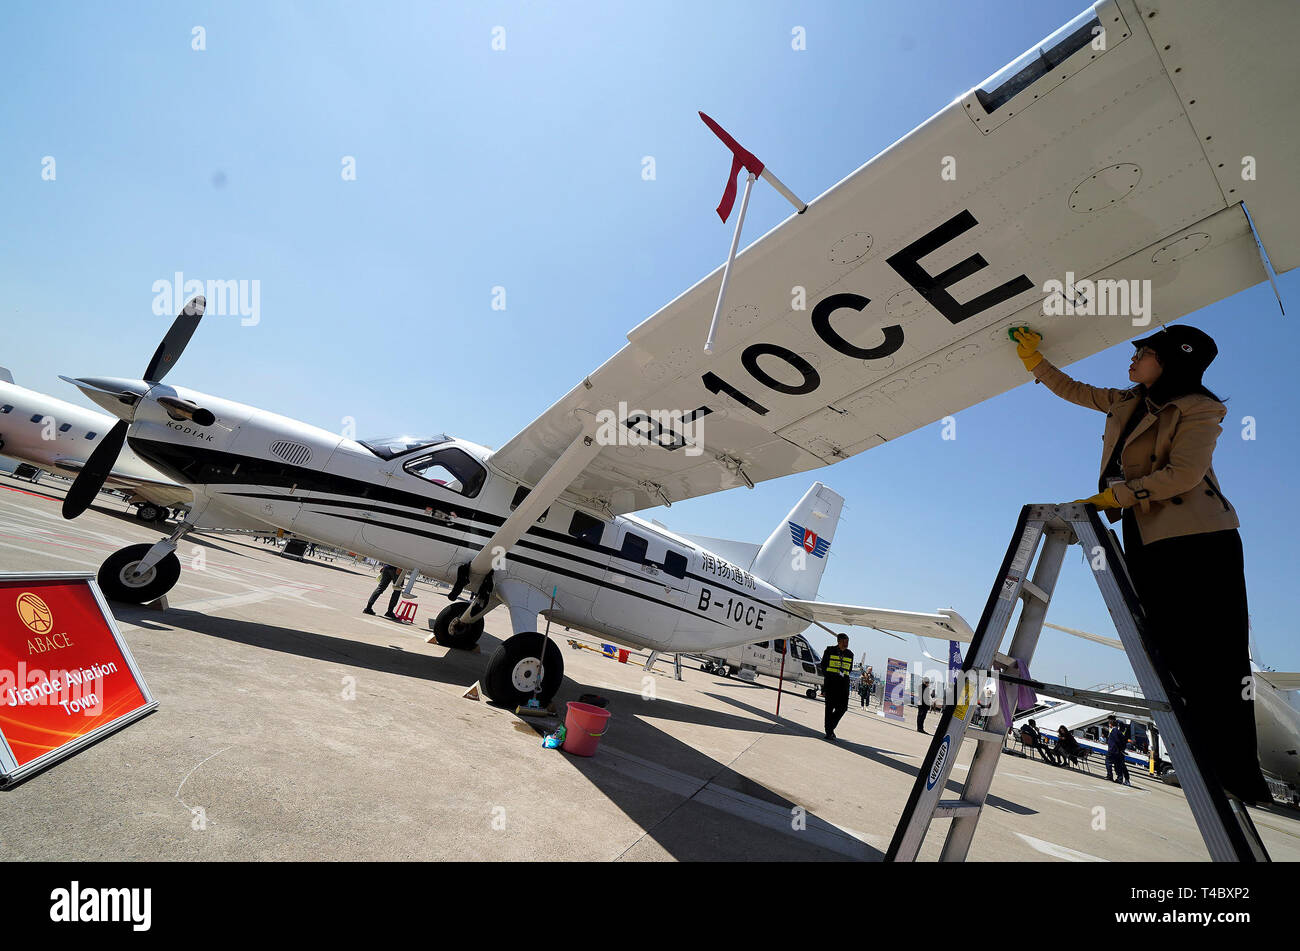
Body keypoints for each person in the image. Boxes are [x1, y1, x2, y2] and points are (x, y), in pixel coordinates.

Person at [1012, 326, 1271, 804]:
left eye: (1145, 353)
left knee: (1221, 656)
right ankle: (1201, 758)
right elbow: (1077, 391)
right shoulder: (1130, 400)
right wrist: (1035, 362)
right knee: (1170, 649)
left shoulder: (1201, 409)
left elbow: (1184, 474)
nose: (1133, 359)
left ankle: (1240, 773)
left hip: (1201, 539)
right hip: (1147, 532)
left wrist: (1116, 495)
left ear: (1173, 361)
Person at [819, 633, 854, 741]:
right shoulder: (829, 651)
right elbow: (823, 666)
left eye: (847, 641)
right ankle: (829, 732)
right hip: (831, 683)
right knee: (829, 708)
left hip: (843, 685)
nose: (846, 643)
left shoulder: (850, 654)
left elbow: (850, 669)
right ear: (839, 641)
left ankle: (830, 727)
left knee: (843, 708)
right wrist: (829, 677)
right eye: (844, 641)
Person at [1105, 717, 1132, 785]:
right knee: (1118, 765)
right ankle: (1120, 779)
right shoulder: (1120, 731)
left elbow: (1117, 741)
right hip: (1118, 751)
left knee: (1109, 762)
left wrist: (1120, 749)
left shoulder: (1115, 731)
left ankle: (1110, 776)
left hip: (1113, 750)